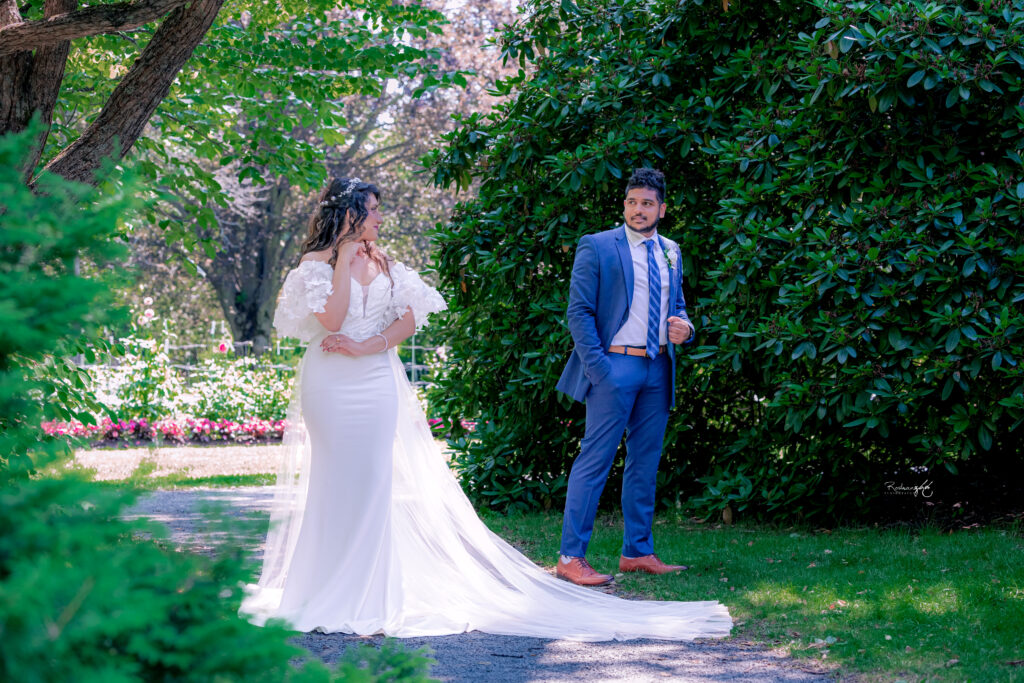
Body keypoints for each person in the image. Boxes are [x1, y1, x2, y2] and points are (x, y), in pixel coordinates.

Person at [240, 176, 730, 641]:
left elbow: (408, 318)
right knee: (333, 479)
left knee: (374, 482)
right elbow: (332, 319)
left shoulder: (385, 261)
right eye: (372, 212)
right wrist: (344, 257)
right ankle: (326, 587)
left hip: (376, 379)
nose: (380, 219)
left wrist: (370, 345)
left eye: (377, 212)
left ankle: (371, 591)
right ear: (349, 215)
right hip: (331, 385)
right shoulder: (317, 264)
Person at [555, 168, 694, 586]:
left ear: (662, 209)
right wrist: (600, 369)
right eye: (632, 202)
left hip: (658, 367)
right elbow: (578, 312)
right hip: (613, 366)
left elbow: (678, 305)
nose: (638, 210)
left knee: (645, 463)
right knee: (595, 460)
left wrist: (685, 328)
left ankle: (637, 552)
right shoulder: (598, 246)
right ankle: (570, 557)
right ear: (625, 205)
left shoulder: (672, 251)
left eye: (647, 203)